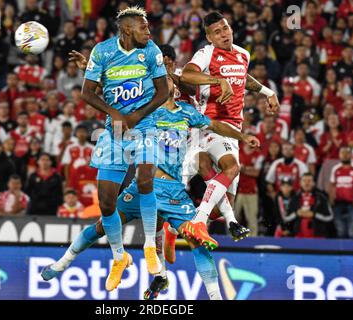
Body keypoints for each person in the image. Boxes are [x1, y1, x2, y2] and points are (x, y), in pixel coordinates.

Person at [40, 75, 260, 299]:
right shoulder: (144, 111)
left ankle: (215, 296)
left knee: (196, 239)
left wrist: (243, 136)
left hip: (173, 190)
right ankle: (63, 262)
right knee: (102, 226)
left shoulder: (186, 112)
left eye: (168, 81)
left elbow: (214, 125)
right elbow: (115, 101)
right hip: (143, 188)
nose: (165, 85)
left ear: (174, 87)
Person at [78, 6, 169, 290]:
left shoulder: (151, 51)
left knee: (145, 179)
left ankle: (151, 247)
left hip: (146, 126)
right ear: (128, 29)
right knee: (106, 202)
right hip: (114, 131)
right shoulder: (102, 52)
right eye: (144, 27)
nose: (149, 32)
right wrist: (114, 113)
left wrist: (136, 116)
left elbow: (164, 91)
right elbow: (86, 92)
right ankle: (119, 257)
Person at [179, 11, 279, 247]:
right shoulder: (207, 53)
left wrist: (268, 92)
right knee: (231, 168)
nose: (223, 34)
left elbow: (244, 78)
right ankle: (198, 221)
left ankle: (190, 220)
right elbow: (187, 74)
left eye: (225, 29)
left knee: (224, 204)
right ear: (209, 37)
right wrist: (216, 80)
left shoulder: (243, 54)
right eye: (217, 32)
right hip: (211, 125)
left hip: (233, 129)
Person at [286, 173, 334, 238]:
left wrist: (314, 215)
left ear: (313, 183)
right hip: (299, 236)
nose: (306, 183)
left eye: (309, 181)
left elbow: (330, 217)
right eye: (304, 181)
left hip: (318, 236)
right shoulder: (294, 198)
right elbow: (286, 218)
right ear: (300, 183)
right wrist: (296, 214)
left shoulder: (321, 197)